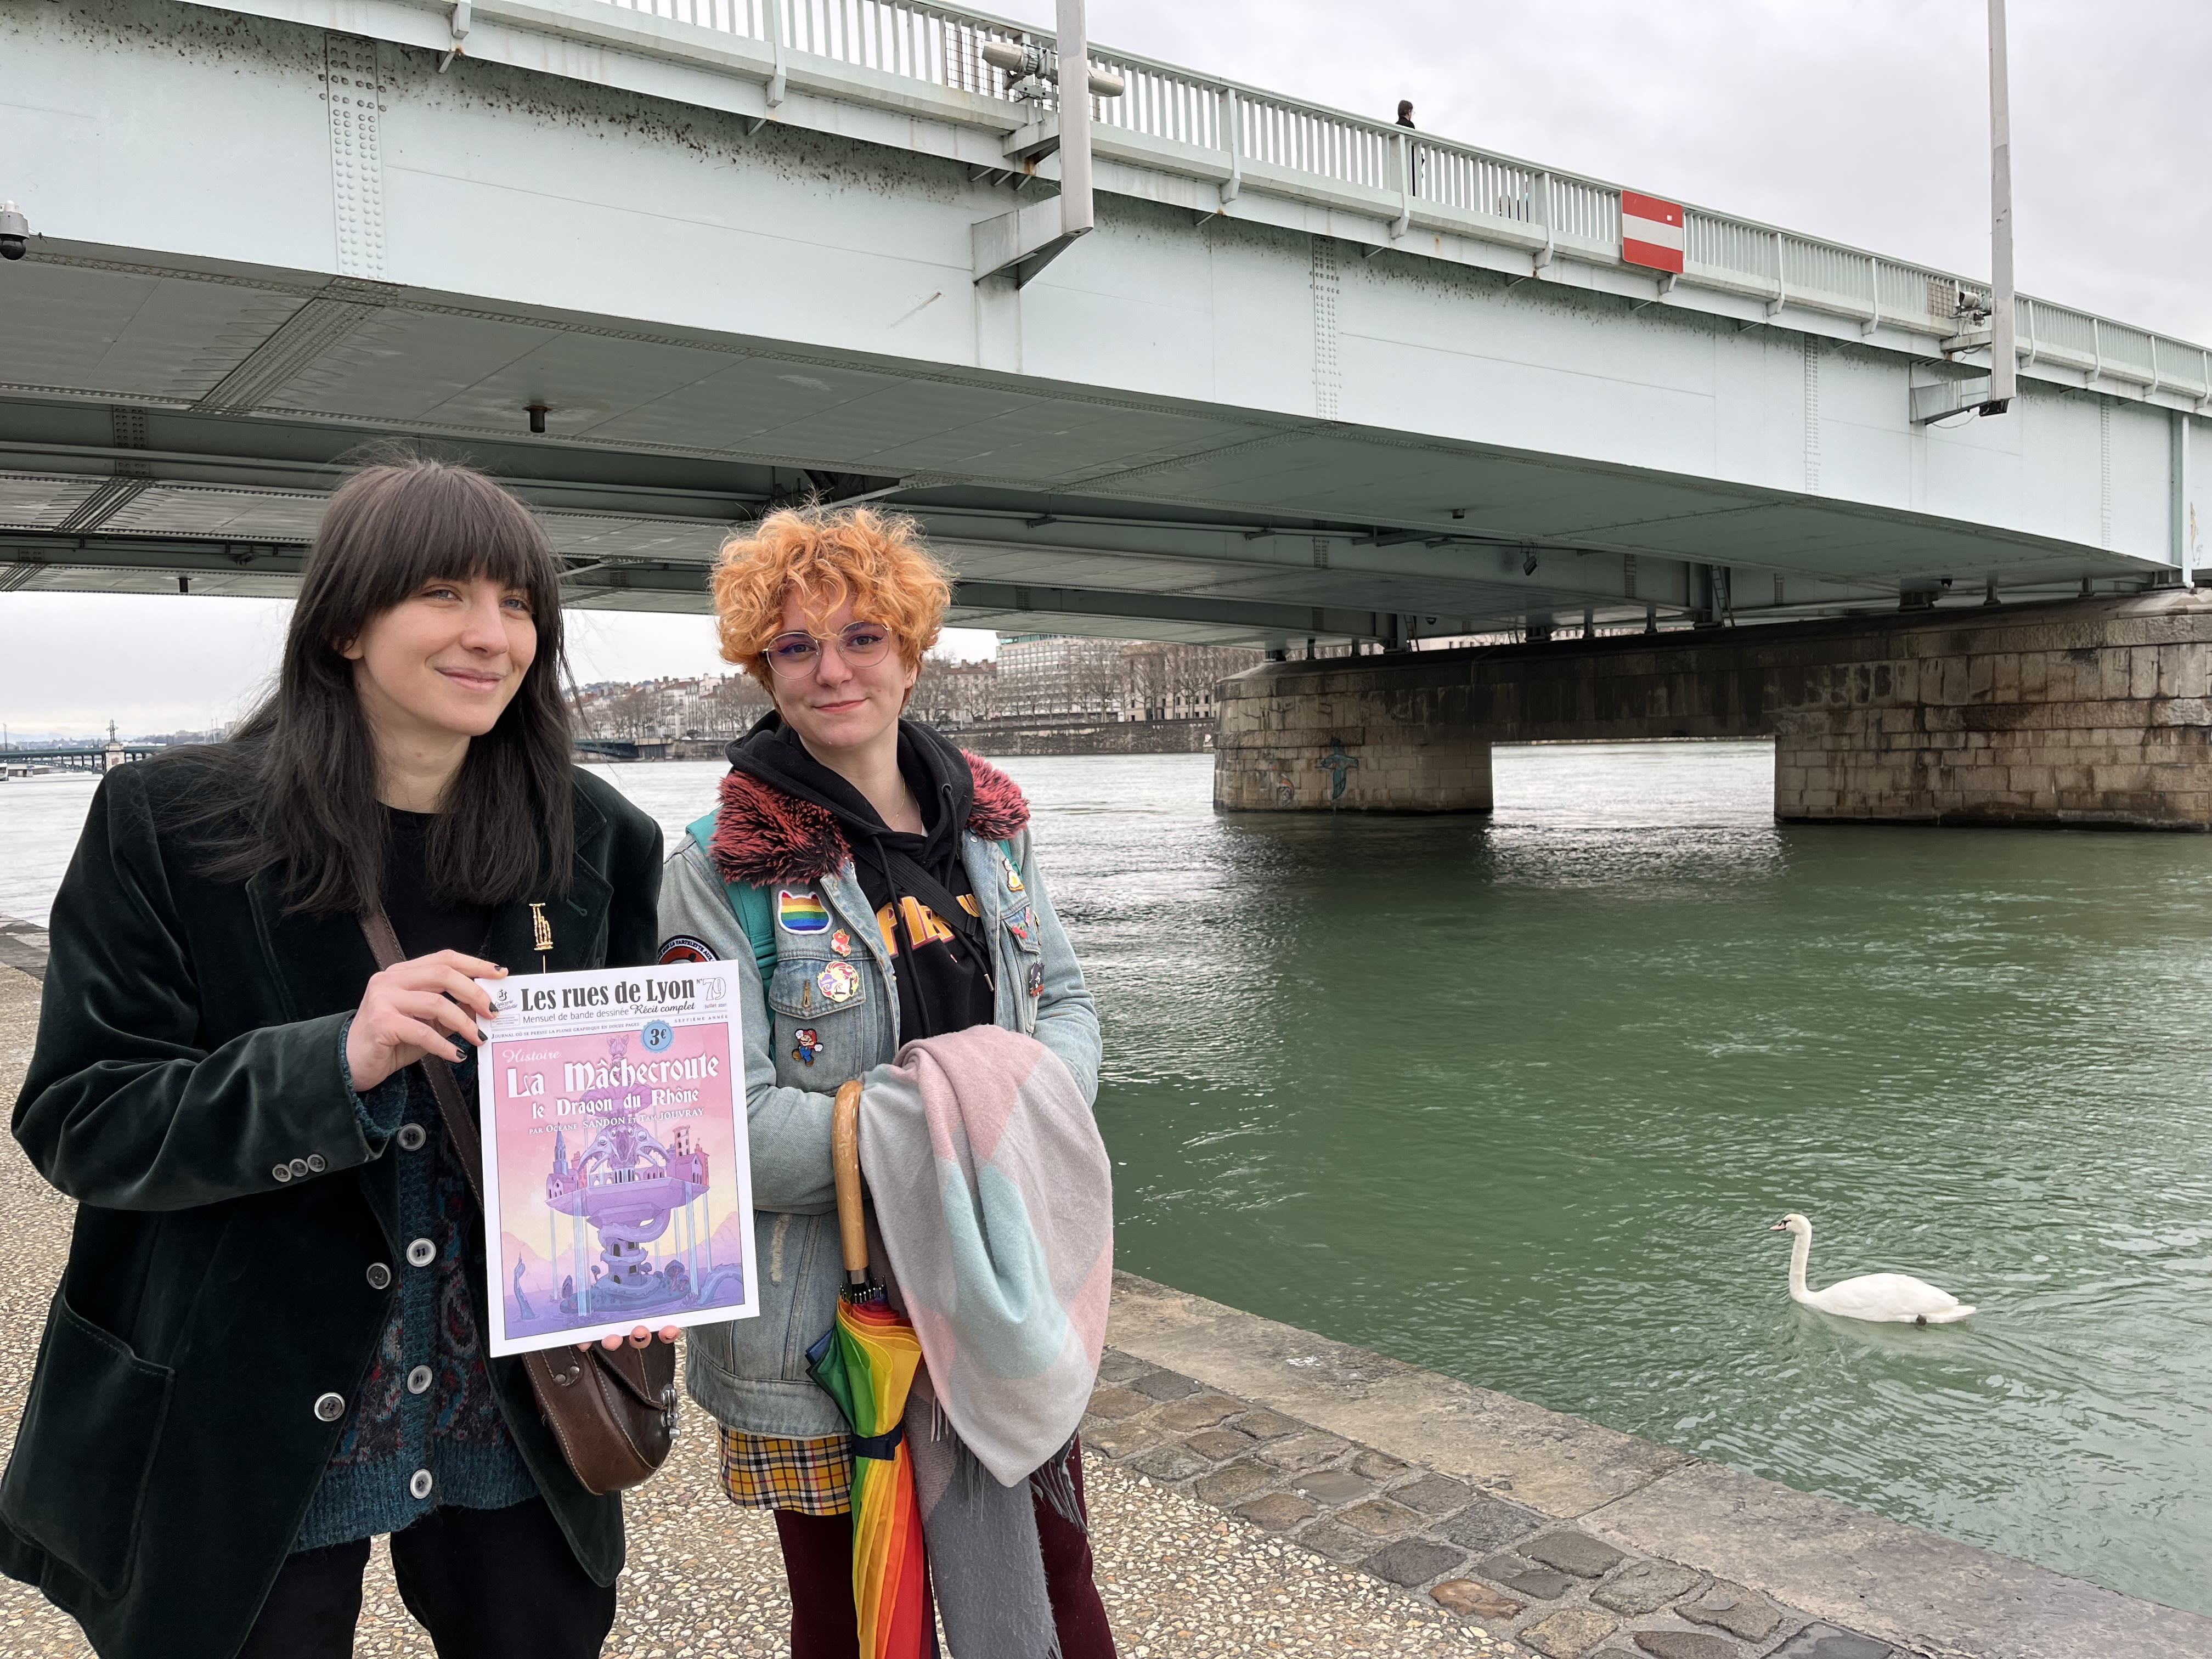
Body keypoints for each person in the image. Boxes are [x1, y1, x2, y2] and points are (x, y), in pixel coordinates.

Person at [2, 459, 667, 1659]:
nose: (490, 635)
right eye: (445, 595)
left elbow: (618, 1107)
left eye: (519, 605)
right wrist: (334, 1060)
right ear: (349, 623)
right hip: (242, 1390)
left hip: (513, 1398)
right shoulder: (174, 824)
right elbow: (82, 1118)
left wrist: (643, 1277)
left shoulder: (597, 841)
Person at [657, 506, 1113, 1656]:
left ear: (914, 651)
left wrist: (1003, 1106)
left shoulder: (994, 831)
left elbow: (1068, 1009)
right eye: (795, 647)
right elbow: (727, 1126)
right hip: (828, 1330)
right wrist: (953, 1132)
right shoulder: (719, 869)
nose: (832, 669)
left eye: (863, 637)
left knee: (1063, 1591)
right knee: (859, 1619)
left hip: (1005, 1290)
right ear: (764, 668)